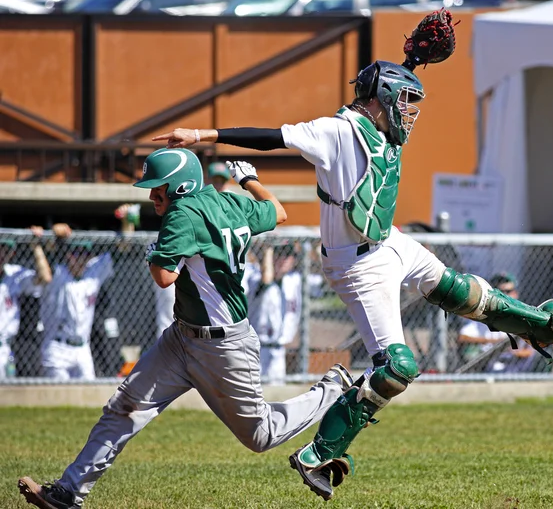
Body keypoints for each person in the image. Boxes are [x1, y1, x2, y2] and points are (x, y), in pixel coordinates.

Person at [150, 58, 553, 500]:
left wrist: (410, 61)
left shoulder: (379, 128)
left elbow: (379, 84)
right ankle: (318, 453)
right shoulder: (336, 131)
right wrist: (204, 136)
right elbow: (272, 138)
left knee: (460, 289)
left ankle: (540, 326)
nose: (410, 111)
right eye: (403, 101)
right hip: (355, 265)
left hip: (388, 242)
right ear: (379, 101)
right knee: (397, 368)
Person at [18, 149, 353, 509]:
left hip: (222, 347)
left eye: (158, 188)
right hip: (182, 338)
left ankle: (333, 389)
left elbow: (164, 277)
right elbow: (279, 211)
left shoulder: (182, 212)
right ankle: (68, 493)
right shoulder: (228, 202)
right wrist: (249, 180)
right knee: (125, 406)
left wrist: (153, 251)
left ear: (180, 186)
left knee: (261, 435)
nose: (152, 196)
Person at [36, 223, 114, 381]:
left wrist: (128, 223)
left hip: (83, 348)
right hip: (57, 346)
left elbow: (122, 250)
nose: (79, 257)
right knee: (58, 399)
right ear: (67, 255)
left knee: (89, 397)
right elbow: (48, 261)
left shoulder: (93, 271)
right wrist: (54, 233)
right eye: (75, 253)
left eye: (84, 253)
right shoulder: (58, 272)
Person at [458, 272, 546, 374]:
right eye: (500, 291)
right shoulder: (484, 314)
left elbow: (531, 351)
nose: (504, 295)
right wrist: (495, 342)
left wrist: (514, 352)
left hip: (517, 368)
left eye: (507, 291)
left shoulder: (524, 317)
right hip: (489, 367)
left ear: (515, 294)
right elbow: (463, 337)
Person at [248, 241, 302, 385]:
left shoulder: (294, 280)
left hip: (279, 350)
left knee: (277, 397)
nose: (285, 259)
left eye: (289, 255)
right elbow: (266, 279)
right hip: (256, 348)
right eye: (280, 254)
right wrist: (268, 250)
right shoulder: (254, 277)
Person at [0, 235, 51, 379]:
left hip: (4, 347)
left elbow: (44, 277)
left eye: (6, 250)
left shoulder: (14, 274)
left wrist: (36, 247)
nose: (2, 254)